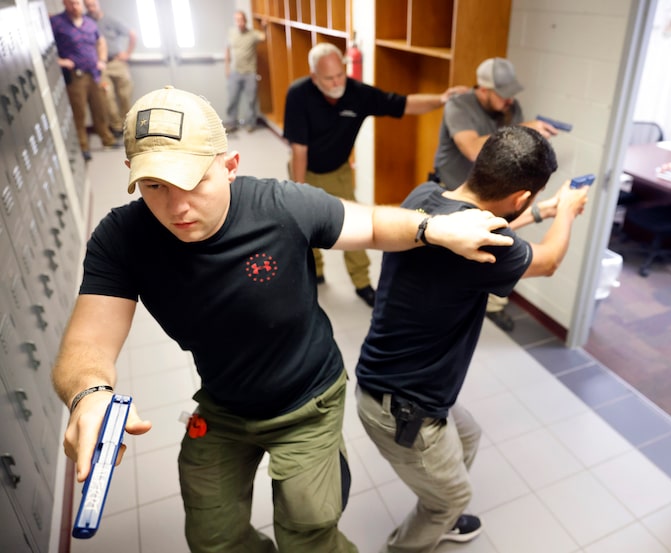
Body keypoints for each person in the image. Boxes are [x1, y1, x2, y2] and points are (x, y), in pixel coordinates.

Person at [51, 86, 514, 553]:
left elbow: (371, 224)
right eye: (156, 186)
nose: (177, 207)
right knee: (212, 538)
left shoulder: (279, 206)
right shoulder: (121, 238)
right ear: (132, 175)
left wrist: (433, 228)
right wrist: (88, 394)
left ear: (230, 167)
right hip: (226, 404)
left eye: (193, 181)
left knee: (308, 527)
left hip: (308, 400)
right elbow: (88, 341)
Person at [355, 125, 588, 553]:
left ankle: (436, 504)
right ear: (520, 196)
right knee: (455, 496)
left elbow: (486, 219)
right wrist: (570, 210)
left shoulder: (423, 200)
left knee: (468, 436)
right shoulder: (491, 251)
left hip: (393, 383)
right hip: (402, 406)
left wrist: (544, 211)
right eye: (530, 202)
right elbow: (550, 261)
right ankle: (419, 533)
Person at [283, 43, 468, 307]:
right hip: (305, 169)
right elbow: (298, 150)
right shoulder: (299, 94)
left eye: (340, 74)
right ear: (314, 76)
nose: (337, 82)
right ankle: (315, 270)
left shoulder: (357, 94)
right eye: (329, 77)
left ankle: (362, 282)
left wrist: (441, 99)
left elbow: (403, 104)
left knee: (350, 226)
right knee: (305, 223)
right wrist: (298, 190)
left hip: (339, 171)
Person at [433, 57, 559, 332]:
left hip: (492, 196)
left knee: (499, 246)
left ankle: (492, 305)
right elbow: (473, 150)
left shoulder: (510, 108)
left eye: (512, 93)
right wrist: (524, 129)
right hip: (454, 190)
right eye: (503, 94)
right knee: (447, 262)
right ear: (483, 90)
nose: (510, 100)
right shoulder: (459, 105)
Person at [51, 0, 120, 162]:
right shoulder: (57, 23)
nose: (76, 7)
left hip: (94, 74)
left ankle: (107, 140)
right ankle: (83, 146)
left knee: (100, 108)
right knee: (79, 113)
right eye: (72, 4)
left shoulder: (89, 22)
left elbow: (100, 41)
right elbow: (44, 45)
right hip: (76, 76)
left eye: (77, 3)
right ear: (65, 4)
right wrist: (59, 61)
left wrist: (102, 60)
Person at [83, 0, 136, 138]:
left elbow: (132, 34)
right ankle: (117, 128)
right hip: (101, 66)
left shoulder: (111, 20)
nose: (91, 8)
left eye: (92, 5)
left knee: (125, 95)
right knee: (107, 97)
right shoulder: (85, 22)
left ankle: (129, 126)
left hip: (117, 63)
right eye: (88, 6)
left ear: (98, 3)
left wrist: (127, 53)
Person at [225, 10, 265, 132]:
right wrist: (227, 67)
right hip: (235, 71)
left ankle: (250, 124)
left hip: (250, 72)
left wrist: (264, 26)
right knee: (232, 99)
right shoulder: (231, 33)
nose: (239, 22)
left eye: (241, 20)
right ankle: (232, 123)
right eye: (237, 20)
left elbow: (264, 37)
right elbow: (227, 50)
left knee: (251, 99)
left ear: (245, 21)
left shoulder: (252, 34)